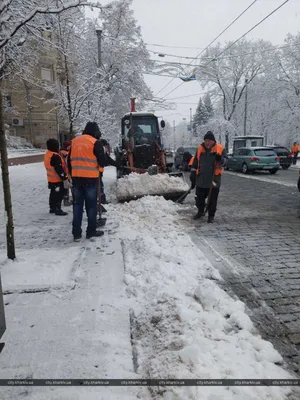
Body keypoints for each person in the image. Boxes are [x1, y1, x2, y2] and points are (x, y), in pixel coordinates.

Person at [68, 122, 106, 241]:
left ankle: (76, 232)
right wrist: (100, 170)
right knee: (91, 206)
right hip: (90, 179)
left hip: (76, 179)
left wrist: (70, 175)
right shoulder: (95, 142)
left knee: (77, 205)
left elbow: (68, 161)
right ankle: (91, 231)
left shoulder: (74, 141)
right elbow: (102, 161)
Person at [190, 131, 227, 223]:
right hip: (201, 179)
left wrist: (220, 159)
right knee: (199, 198)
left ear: (213, 141)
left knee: (212, 200)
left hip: (213, 179)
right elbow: (195, 162)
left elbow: (226, 162)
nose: (207, 142)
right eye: (206, 140)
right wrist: (193, 173)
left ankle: (211, 215)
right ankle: (200, 211)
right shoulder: (199, 149)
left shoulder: (220, 148)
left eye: (209, 140)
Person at [44, 138, 68, 216]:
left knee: (53, 194)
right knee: (59, 194)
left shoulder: (48, 154)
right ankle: (58, 209)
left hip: (51, 179)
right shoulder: (55, 156)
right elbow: (59, 169)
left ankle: (52, 208)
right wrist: (64, 178)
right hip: (57, 180)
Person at [59, 140, 72, 206]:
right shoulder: (65, 153)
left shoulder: (61, 152)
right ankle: (67, 200)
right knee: (67, 187)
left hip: (65, 172)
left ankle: (66, 200)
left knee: (66, 187)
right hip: (67, 172)